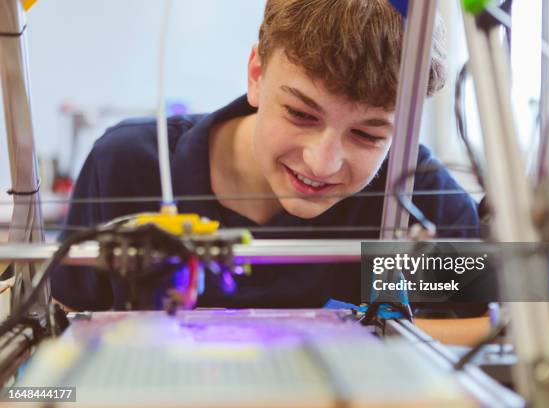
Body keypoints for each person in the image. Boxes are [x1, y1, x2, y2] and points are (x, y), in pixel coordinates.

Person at [51, 0, 479, 311]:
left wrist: (357, 330)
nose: (322, 163)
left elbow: (482, 324)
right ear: (257, 75)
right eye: (300, 114)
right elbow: (66, 323)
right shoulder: (132, 166)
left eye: (367, 135)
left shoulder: (415, 195)